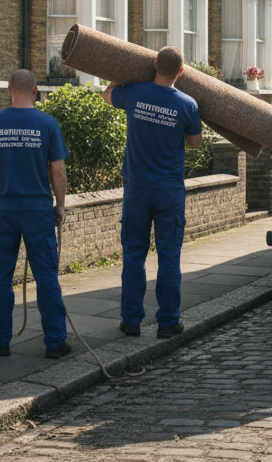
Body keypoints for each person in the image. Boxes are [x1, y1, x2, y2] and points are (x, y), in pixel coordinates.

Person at [102, 45, 203, 339]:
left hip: (136, 187)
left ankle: (131, 321)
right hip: (169, 190)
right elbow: (196, 143)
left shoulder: (134, 93)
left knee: (134, 254)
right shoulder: (188, 103)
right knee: (169, 256)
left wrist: (118, 75)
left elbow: (108, 95)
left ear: (155, 65)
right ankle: (168, 323)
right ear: (181, 72)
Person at [0, 69, 72, 359]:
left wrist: (0, 177)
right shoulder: (47, 123)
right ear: (35, 92)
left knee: (1, 276)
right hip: (38, 210)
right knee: (46, 276)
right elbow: (58, 170)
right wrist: (60, 205)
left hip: (4, 209)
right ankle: (55, 343)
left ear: (8, 90)